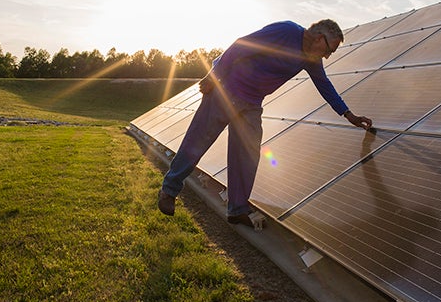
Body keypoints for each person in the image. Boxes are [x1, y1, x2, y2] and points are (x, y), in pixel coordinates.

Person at [157, 19, 373, 227]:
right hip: (226, 90)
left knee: (247, 154)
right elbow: (241, 46)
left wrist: (347, 114)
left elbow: (324, 85)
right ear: (319, 37)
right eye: (329, 50)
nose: (326, 56)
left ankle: (237, 209)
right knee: (198, 141)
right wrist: (214, 76)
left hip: (251, 103)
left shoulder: (311, 59)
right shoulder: (286, 31)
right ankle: (169, 190)